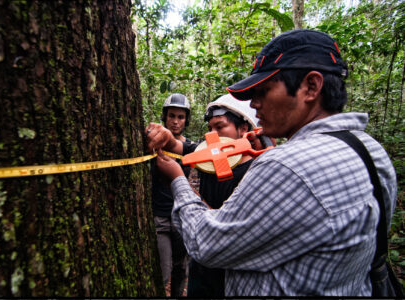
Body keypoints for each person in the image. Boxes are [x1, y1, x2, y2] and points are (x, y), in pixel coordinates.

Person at [148, 29, 397, 296]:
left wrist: (177, 180)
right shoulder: (369, 150)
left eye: (263, 91)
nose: (254, 105)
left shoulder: (285, 166)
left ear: (311, 87)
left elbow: (205, 244)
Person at [147, 94, 261, 297]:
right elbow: (176, 146)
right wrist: (163, 135)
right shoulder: (208, 155)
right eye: (210, 129)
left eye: (220, 128)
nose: (212, 136)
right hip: (201, 271)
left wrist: (176, 180)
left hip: (230, 274)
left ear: (244, 129)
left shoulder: (257, 174)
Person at [151, 93, 192, 297]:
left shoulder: (190, 148)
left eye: (181, 117)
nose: (175, 122)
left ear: (186, 120)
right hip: (160, 216)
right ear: (165, 117)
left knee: (181, 269)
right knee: (164, 272)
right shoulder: (153, 145)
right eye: (172, 116)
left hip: (181, 217)